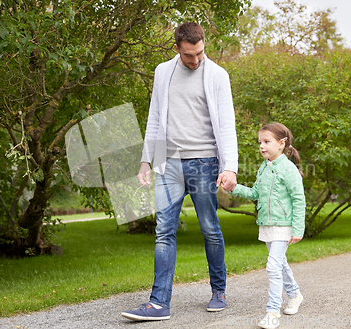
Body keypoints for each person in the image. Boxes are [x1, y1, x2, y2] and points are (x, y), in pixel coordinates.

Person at [121, 22, 238, 321]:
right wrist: (147, 160)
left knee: (210, 229)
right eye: (189, 55)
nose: (196, 60)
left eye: (200, 52)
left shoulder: (217, 76)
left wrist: (230, 168)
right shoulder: (163, 72)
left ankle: (219, 291)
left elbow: (226, 127)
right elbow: (156, 118)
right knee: (163, 231)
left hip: (204, 162)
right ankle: (158, 303)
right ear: (176, 48)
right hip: (169, 163)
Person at [225, 122, 305, 329]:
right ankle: (295, 295)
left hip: (283, 225)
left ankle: (272, 312)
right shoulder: (264, 166)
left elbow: (299, 199)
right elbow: (255, 193)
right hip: (267, 224)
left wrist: (298, 229)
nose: (261, 146)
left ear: (281, 144)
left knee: (272, 266)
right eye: (260, 142)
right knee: (280, 264)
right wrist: (234, 188)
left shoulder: (288, 169)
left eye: (266, 141)